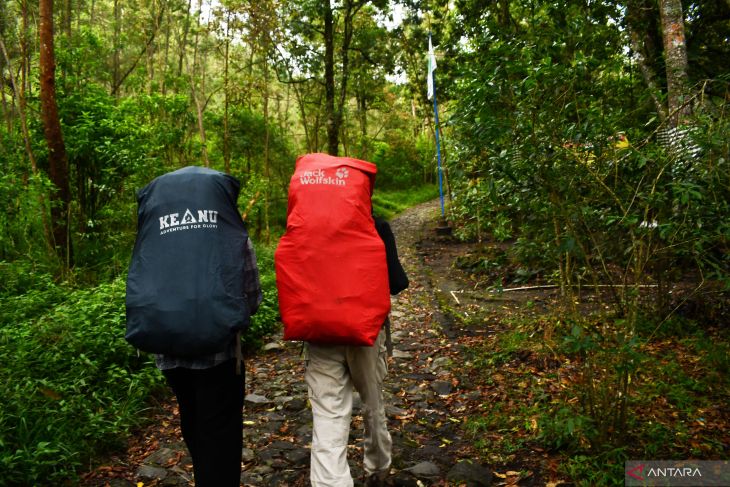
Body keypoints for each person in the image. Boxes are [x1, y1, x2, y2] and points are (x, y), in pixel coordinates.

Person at [125, 166, 262, 487]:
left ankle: (205, 475)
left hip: (169, 352)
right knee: (221, 430)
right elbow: (251, 295)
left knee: (192, 418)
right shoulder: (228, 231)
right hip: (220, 353)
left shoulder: (154, 234)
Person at [304, 215, 408, 487]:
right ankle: (378, 466)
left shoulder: (307, 222)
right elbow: (397, 282)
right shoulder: (376, 224)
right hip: (366, 332)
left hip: (321, 333)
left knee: (328, 412)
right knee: (372, 401)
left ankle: (331, 481)